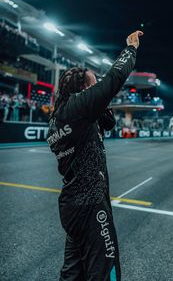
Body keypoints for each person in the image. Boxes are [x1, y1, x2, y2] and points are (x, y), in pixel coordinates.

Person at [47, 30, 143, 281]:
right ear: (82, 89)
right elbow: (114, 78)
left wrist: (100, 104)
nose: (98, 85)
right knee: (104, 270)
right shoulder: (79, 108)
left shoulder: (59, 118)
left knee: (73, 272)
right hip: (90, 205)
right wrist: (130, 48)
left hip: (72, 205)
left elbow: (108, 124)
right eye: (93, 82)